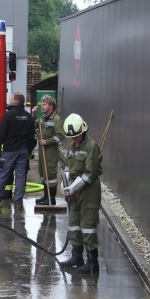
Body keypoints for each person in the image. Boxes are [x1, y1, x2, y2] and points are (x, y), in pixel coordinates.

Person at [59, 113, 103, 273]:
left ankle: (92, 264)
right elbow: (68, 168)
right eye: (72, 137)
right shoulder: (72, 147)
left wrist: (72, 188)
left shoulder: (91, 147)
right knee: (74, 223)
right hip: (75, 189)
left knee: (87, 226)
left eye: (77, 136)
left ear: (83, 131)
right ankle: (77, 257)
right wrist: (65, 184)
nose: (74, 139)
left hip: (88, 190)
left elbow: (89, 174)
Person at [0, 92, 37, 209]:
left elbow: (1, 133)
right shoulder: (29, 117)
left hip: (9, 151)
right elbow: (32, 137)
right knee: (20, 177)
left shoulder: (8, 115)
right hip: (23, 151)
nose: (9, 100)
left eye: (11, 98)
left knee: (3, 175)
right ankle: (18, 203)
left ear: (16, 101)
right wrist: (29, 151)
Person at [32, 95, 65, 205]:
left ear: (51, 106)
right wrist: (33, 114)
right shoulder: (42, 118)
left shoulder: (56, 119)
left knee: (50, 174)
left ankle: (52, 198)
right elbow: (34, 124)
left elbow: (61, 135)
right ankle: (46, 196)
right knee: (43, 174)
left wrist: (47, 141)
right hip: (42, 151)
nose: (42, 106)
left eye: (44, 104)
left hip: (50, 151)